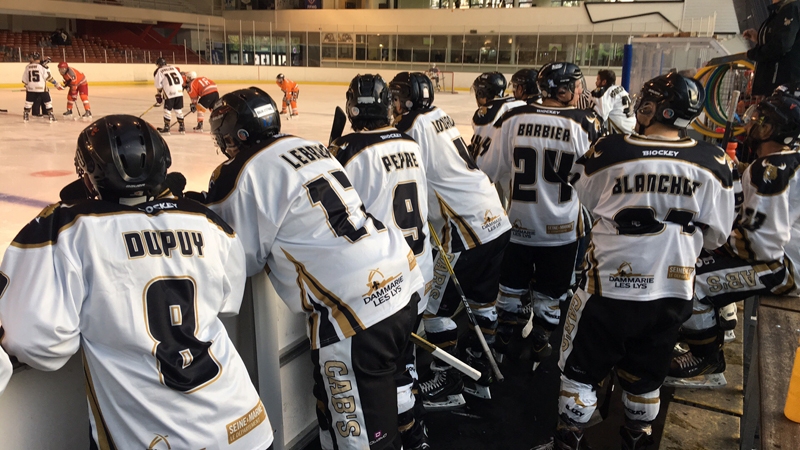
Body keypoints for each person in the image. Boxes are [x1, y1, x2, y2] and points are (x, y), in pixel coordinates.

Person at [0, 115, 274, 450]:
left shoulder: (69, 228)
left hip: (159, 440)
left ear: (88, 176)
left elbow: (40, 343)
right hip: (245, 426)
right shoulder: (203, 219)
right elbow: (229, 301)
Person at [203, 87, 424, 450]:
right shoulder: (311, 145)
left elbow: (239, 259)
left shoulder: (240, 170)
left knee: (362, 436)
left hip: (355, 307)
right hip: (400, 277)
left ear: (235, 135)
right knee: (386, 393)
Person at [546, 73, 735, 450]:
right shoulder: (713, 161)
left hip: (608, 286)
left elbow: (585, 196)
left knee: (579, 376)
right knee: (646, 377)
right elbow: (717, 235)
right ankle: (636, 438)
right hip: (673, 289)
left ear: (655, 107)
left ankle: (569, 441)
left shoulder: (611, 149)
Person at [389, 72, 512, 408]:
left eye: (396, 99)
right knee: (483, 302)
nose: (393, 105)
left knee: (433, 311)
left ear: (406, 100)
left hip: (465, 230)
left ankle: (450, 383)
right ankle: (479, 369)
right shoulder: (439, 114)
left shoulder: (408, 128)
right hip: (496, 218)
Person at [667, 93, 800, 382]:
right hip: (786, 258)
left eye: (760, 119)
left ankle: (706, 357)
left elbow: (761, 243)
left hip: (786, 269)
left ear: (772, 129)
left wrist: (713, 242)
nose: (752, 122)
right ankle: (722, 321)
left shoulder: (769, 170)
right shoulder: (783, 162)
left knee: (687, 276)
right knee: (702, 255)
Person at [330, 73, 432, 450]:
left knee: (379, 374)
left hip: (383, 281)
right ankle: (415, 434)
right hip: (419, 271)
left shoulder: (346, 152)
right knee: (405, 363)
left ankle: (395, 436)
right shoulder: (410, 142)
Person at [478, 62, 601, 366]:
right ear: (564, 89)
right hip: (561, 230)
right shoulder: (585, 123)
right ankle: (541, 339)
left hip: (517, 225)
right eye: (576, 84)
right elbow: (593, 185)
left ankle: (506, 335)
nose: (580, 90)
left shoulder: (512, 117)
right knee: (550, 294)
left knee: (509, 289)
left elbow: (487, 169)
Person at [742, 0, 800, 96]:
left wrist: (753, 54)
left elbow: (781, 44)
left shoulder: (791, 9)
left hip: (783, 83)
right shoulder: (781, 10)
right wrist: (759, 38)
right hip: (776, 83)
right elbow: (781, 39)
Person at [469, 71, 525, 161]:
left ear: (481, 94)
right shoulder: (518, 103)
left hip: (492, 170)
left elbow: (479, 152)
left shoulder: (484, 113)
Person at [591, 69, 635, 134]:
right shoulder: (622, 89)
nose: (596, 82)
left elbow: (600, 115)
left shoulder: (605, 92)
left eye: (598, 80)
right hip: (632, 127)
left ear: (604, 82)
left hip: (621, 133)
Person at [21, 52, 61, 123]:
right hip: (41, 88)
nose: (30, 59)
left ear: (33, 58)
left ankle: (26, 116)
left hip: (31, 88)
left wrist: (28, 85)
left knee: (28, 103)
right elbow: (49, 77)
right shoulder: (43, 67)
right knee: (48, 102)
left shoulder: (27, 67)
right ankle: (51, 116)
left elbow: (24, 80)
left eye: (31, 57)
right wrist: (56, 83)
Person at [153, 57, 186, 134]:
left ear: (159, 64)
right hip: (179, 91)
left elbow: (158, 85)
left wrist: (159, 95)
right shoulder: (173, 68)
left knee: (167, 110)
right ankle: (182, 127)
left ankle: (167, 128)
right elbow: (181, 81)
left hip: (169, 91)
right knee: (178, 109)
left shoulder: (159, 71)